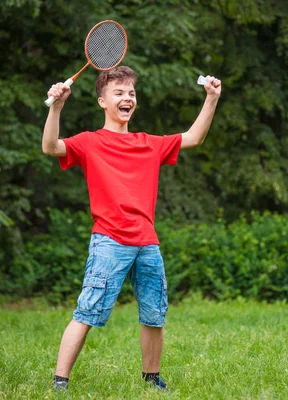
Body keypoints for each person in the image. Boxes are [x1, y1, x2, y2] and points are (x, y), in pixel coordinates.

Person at [42, 66, 221, 392]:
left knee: (155, 314)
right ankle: (59, 382)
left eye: (131, 93)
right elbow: (51, 147)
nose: (128, 98)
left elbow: (194, 137)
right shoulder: (89, 142)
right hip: (109, 241)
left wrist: (211, 98)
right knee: (88, 311)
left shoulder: (148, 143)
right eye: (119, 93)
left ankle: (152, 380)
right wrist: (56, 106)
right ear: (102, 102)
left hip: (147, 242)